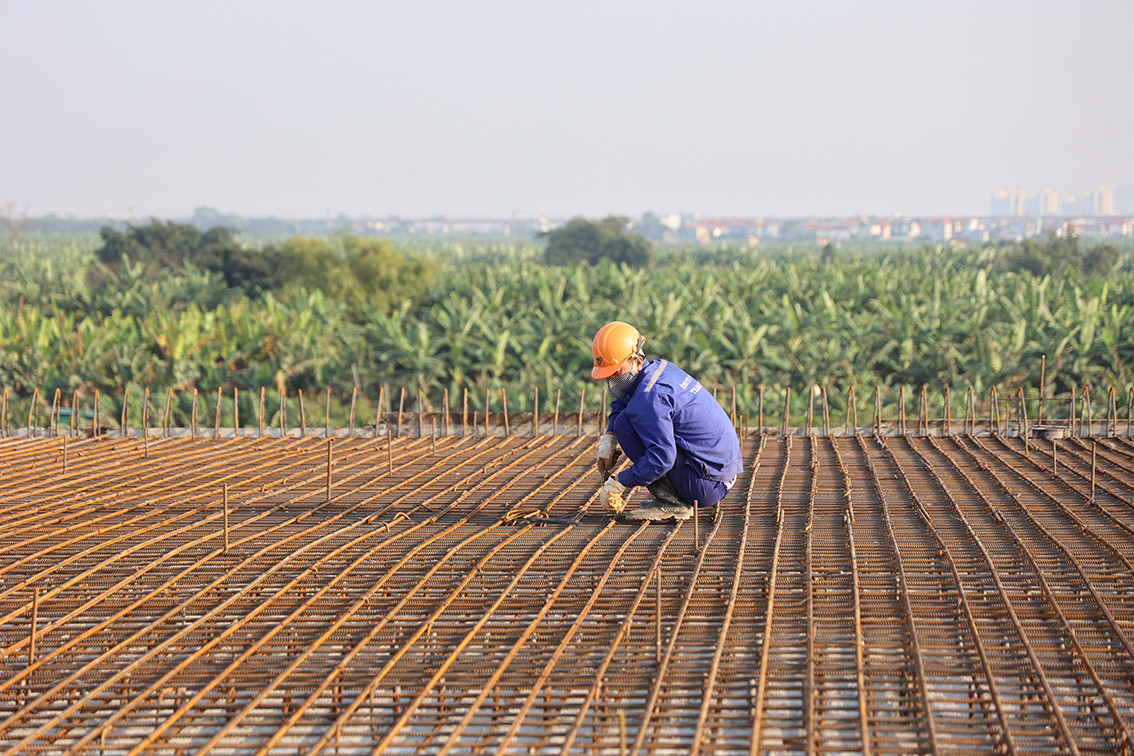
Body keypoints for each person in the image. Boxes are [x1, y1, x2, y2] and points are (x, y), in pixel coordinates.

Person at [590, 321, 742, 521]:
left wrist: (620, 481)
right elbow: (625, 399)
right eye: (607, 376)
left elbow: (662, 457)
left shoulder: (651, 397)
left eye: (616, 373)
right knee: (622, 423)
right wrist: (609, 436)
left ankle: (675, 504)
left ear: (636, 362)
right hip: (720, 471)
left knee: (625, 426)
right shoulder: (659, 369)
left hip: (707, 484)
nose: (612, 382)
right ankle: (676, 494)